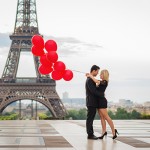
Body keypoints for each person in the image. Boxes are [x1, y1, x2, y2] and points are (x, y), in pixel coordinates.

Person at [86, 69, 119, 139]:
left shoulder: (105, 82)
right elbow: (96, 82)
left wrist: (90, 76)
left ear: (104, 75)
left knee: (106, 117)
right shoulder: (101, 81)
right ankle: (103, 132)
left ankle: (113, 131)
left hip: (102, 101)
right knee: (102, 118)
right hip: (98, 101)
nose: (99, 75)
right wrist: (90, 76)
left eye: (101, 74)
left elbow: (96, 81)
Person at [85, 65, 104, 140]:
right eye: (97, 71)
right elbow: (94, 91)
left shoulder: (90, 79)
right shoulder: (89, 80)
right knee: (90, 118)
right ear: (94, 71)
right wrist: (102, 94)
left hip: (91, 102)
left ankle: (90, 134)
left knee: (90, 118)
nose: (97, 73)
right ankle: (90, 134)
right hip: (91, 102)